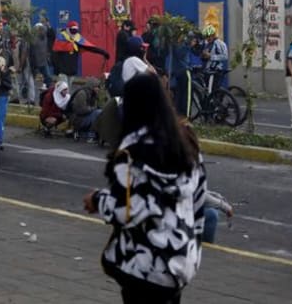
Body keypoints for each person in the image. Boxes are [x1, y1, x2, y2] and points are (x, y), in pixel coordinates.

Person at [83, 73, 206, 304]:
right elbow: (198, 200)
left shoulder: (132, 152)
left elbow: (126, 210)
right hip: (180, 260)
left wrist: (98, 200)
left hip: (144, 264)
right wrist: (193, 245)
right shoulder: (186, 143)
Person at [200, 25, 228, 91]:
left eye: (210, 36)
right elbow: (206, 58)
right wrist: (203, 56)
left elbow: (225, 56)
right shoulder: (207, 44)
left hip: (215, 70)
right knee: (207, 89)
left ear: (214, 35)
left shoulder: (220, 43)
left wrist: (211, 56)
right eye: (206, 36)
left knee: (212, 90)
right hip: (207, 70)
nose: (208, 38)